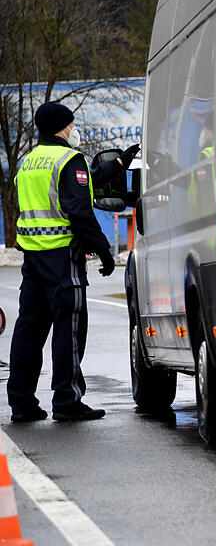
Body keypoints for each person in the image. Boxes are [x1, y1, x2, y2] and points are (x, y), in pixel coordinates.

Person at [7, 102, 139, 422]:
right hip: (63, 256)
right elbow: (78, 208)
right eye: (71, 123)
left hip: (33, 258)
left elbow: (81, 183)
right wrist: (104, 250)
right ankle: (67, 400)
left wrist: (118, 163)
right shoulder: (69, 158)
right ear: (62, 127)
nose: (73, 129)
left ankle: (22, 402)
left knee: (29, 331)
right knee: (69, 327)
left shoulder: (29, 162)